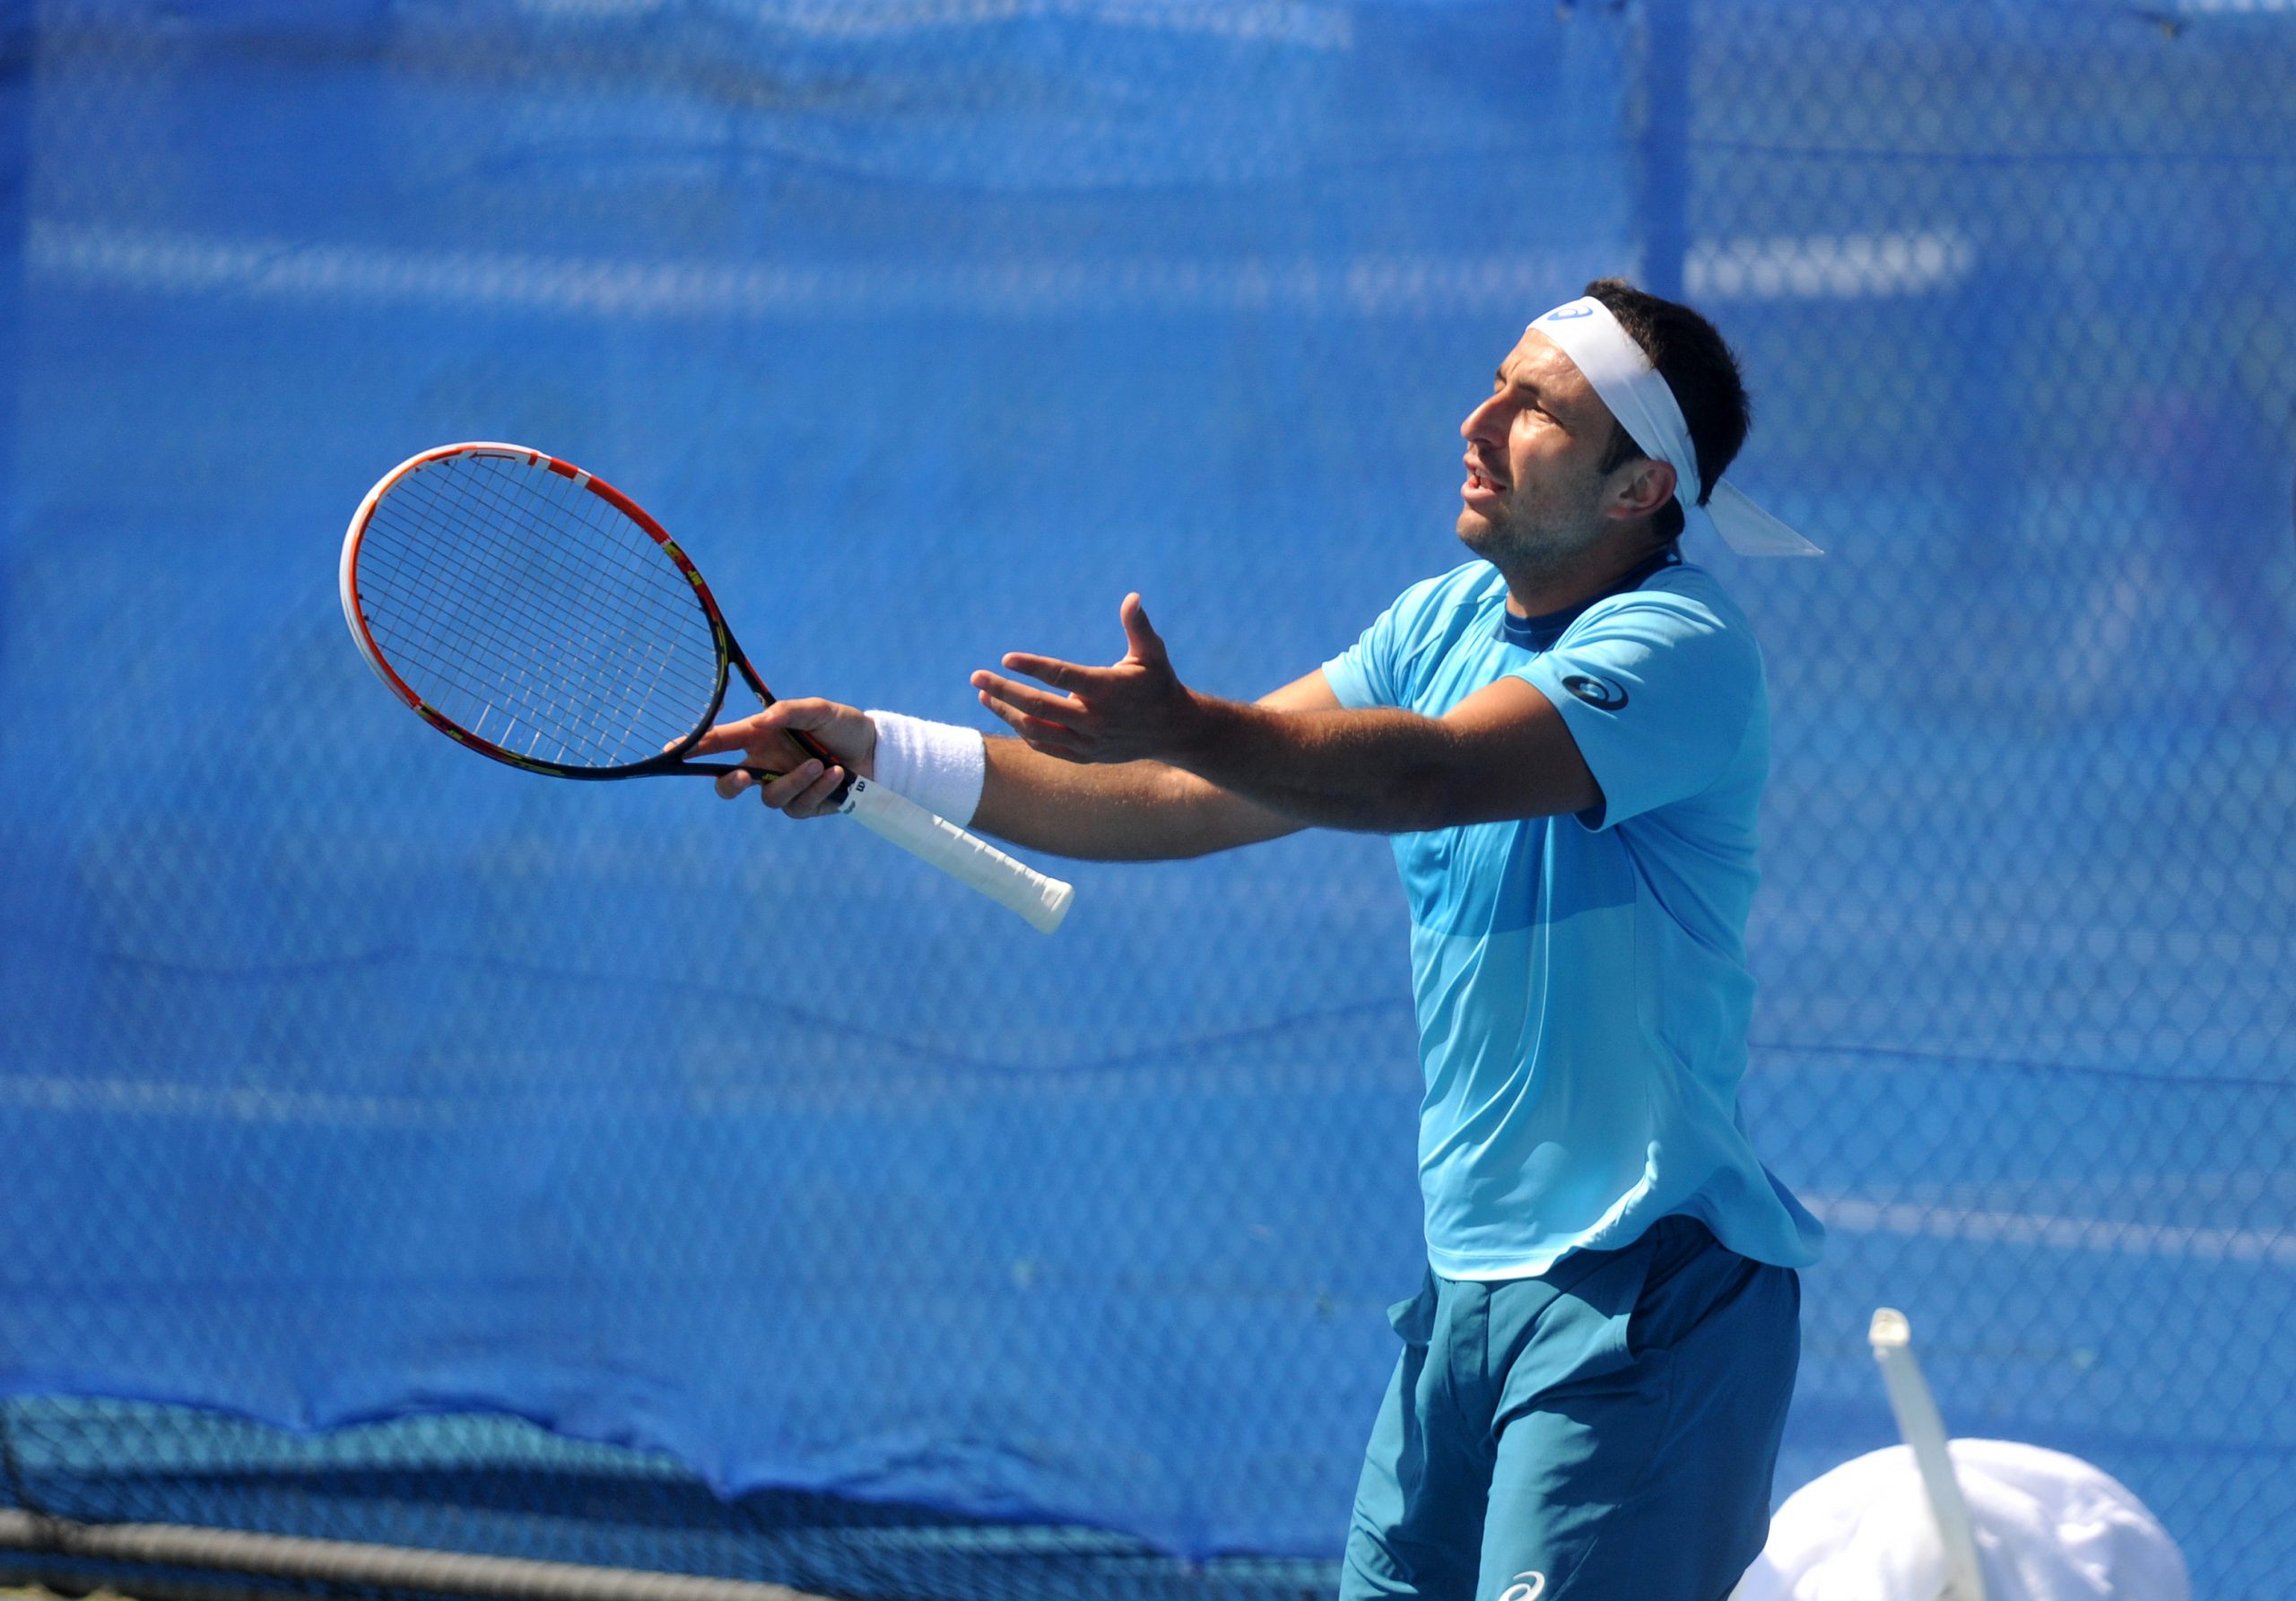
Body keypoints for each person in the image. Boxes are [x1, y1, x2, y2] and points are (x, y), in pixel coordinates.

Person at [690, 277, 1826, 1601]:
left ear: (1639, 489)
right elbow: (1178, 796)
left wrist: (1188, 722)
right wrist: (883, 755)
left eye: (1537, 411)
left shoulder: (1684, 644)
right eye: (1495, 385)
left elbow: (1429, 774)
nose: (1477, 422)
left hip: (1644, 1302)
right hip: (1465, 1292)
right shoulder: (1441, 623)